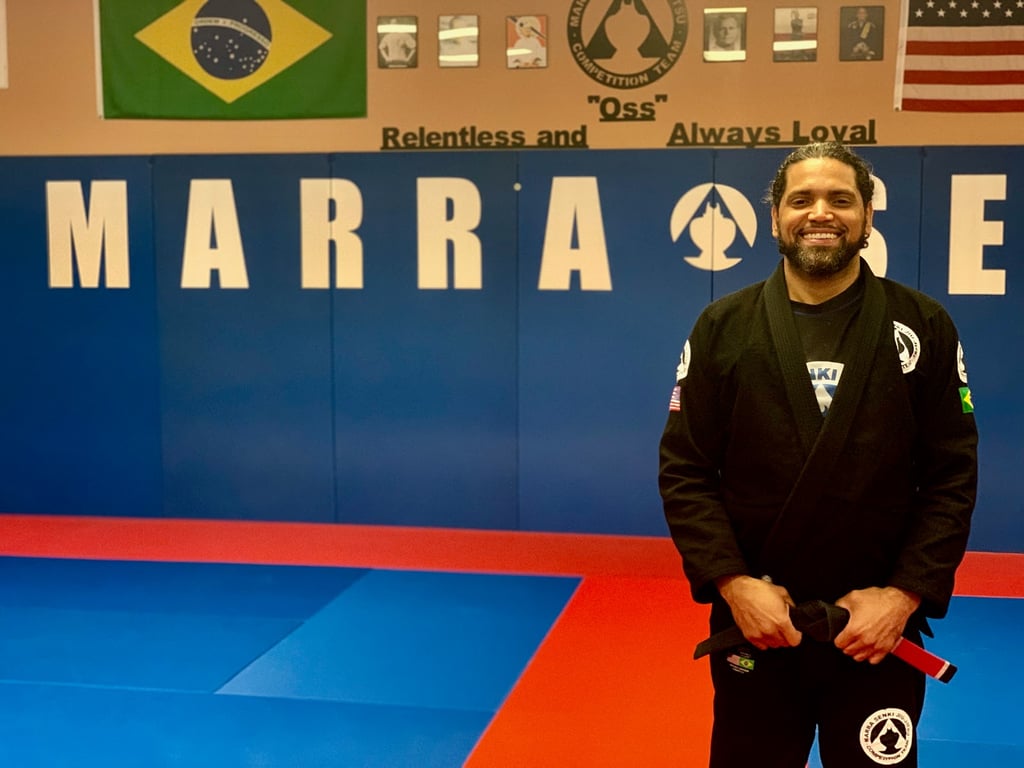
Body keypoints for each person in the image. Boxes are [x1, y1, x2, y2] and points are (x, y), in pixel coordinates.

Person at [658, 142, 978, 767]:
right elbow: (686, 471)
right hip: (758, 623)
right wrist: (733, 584)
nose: (821, 213)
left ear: (867, 217)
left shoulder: (923, 325)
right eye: (801, 199)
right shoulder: (723, 327)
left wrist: (903, 597)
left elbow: (951, 477)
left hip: (875, 631)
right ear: (775, 217)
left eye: (841, 199)